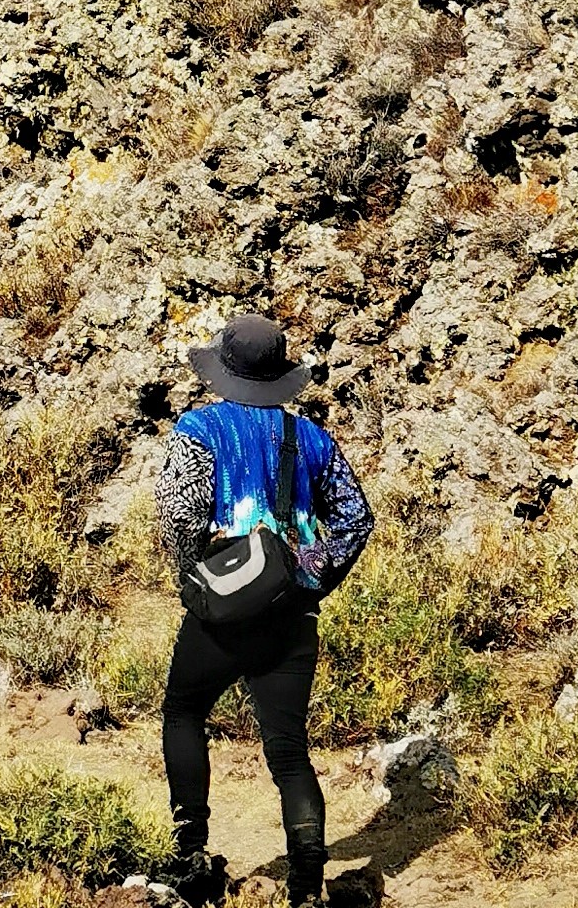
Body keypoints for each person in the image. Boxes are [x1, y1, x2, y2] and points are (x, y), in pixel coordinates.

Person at [154, 313, 375, 908]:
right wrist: (308, 574)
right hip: (293, 613)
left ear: (223, 370)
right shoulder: (312, 438)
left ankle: (189, 853)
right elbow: (356, 519)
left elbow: (179, 515)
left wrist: (195, 579)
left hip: (223, 608)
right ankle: (306, 886)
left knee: (183, 712)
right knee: (288, 749)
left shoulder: (199, 429)